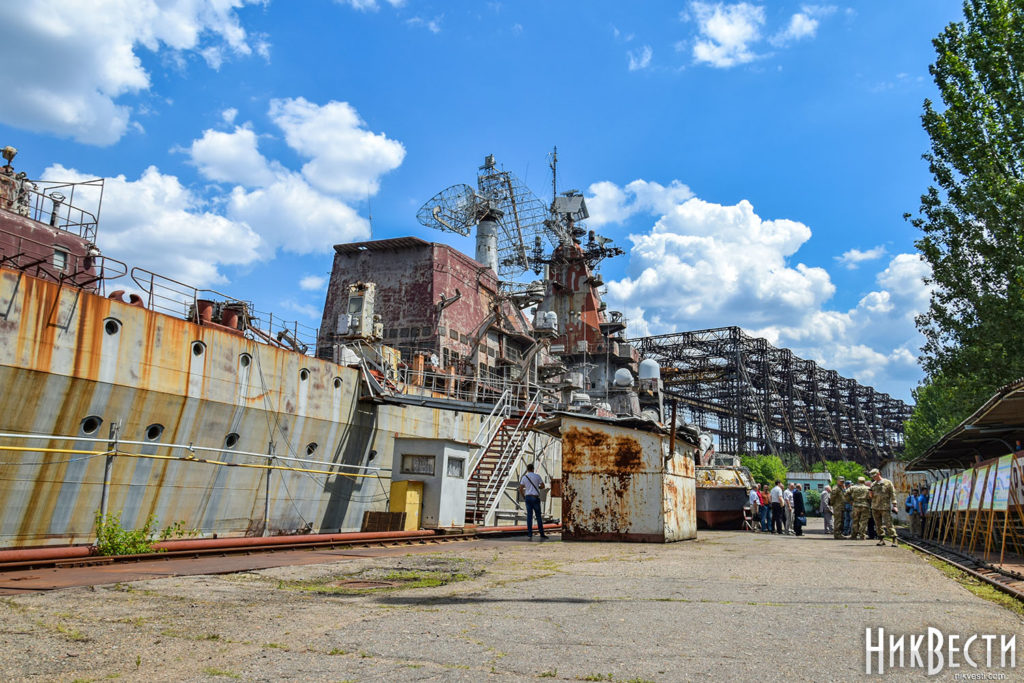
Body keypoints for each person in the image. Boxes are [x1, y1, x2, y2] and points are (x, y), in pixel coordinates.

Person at [868, 468, 898, 547]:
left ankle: (894, 539)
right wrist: (870, 493)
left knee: (889, 524)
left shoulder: (887, 483)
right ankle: (881, 539)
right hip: (875, 507)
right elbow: (871, 497)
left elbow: (893, 494)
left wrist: (894, 505)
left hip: (885, 507)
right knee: (878, 525)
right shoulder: (873, 484)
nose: (874, 478)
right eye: (873, 477)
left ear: (879, 474)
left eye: (875, 476)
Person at [518, 463, 547, 540]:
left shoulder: (524, 477)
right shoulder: (537, 476)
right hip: (535, 497)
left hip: (528, 498)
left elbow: (520, 488)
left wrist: (524, 496)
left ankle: (530, 534)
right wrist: (538, 486)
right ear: (533, 469)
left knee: (529, 516)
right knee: (538, 516)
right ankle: (541, 533)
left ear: (527, 469)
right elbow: (543, 486)